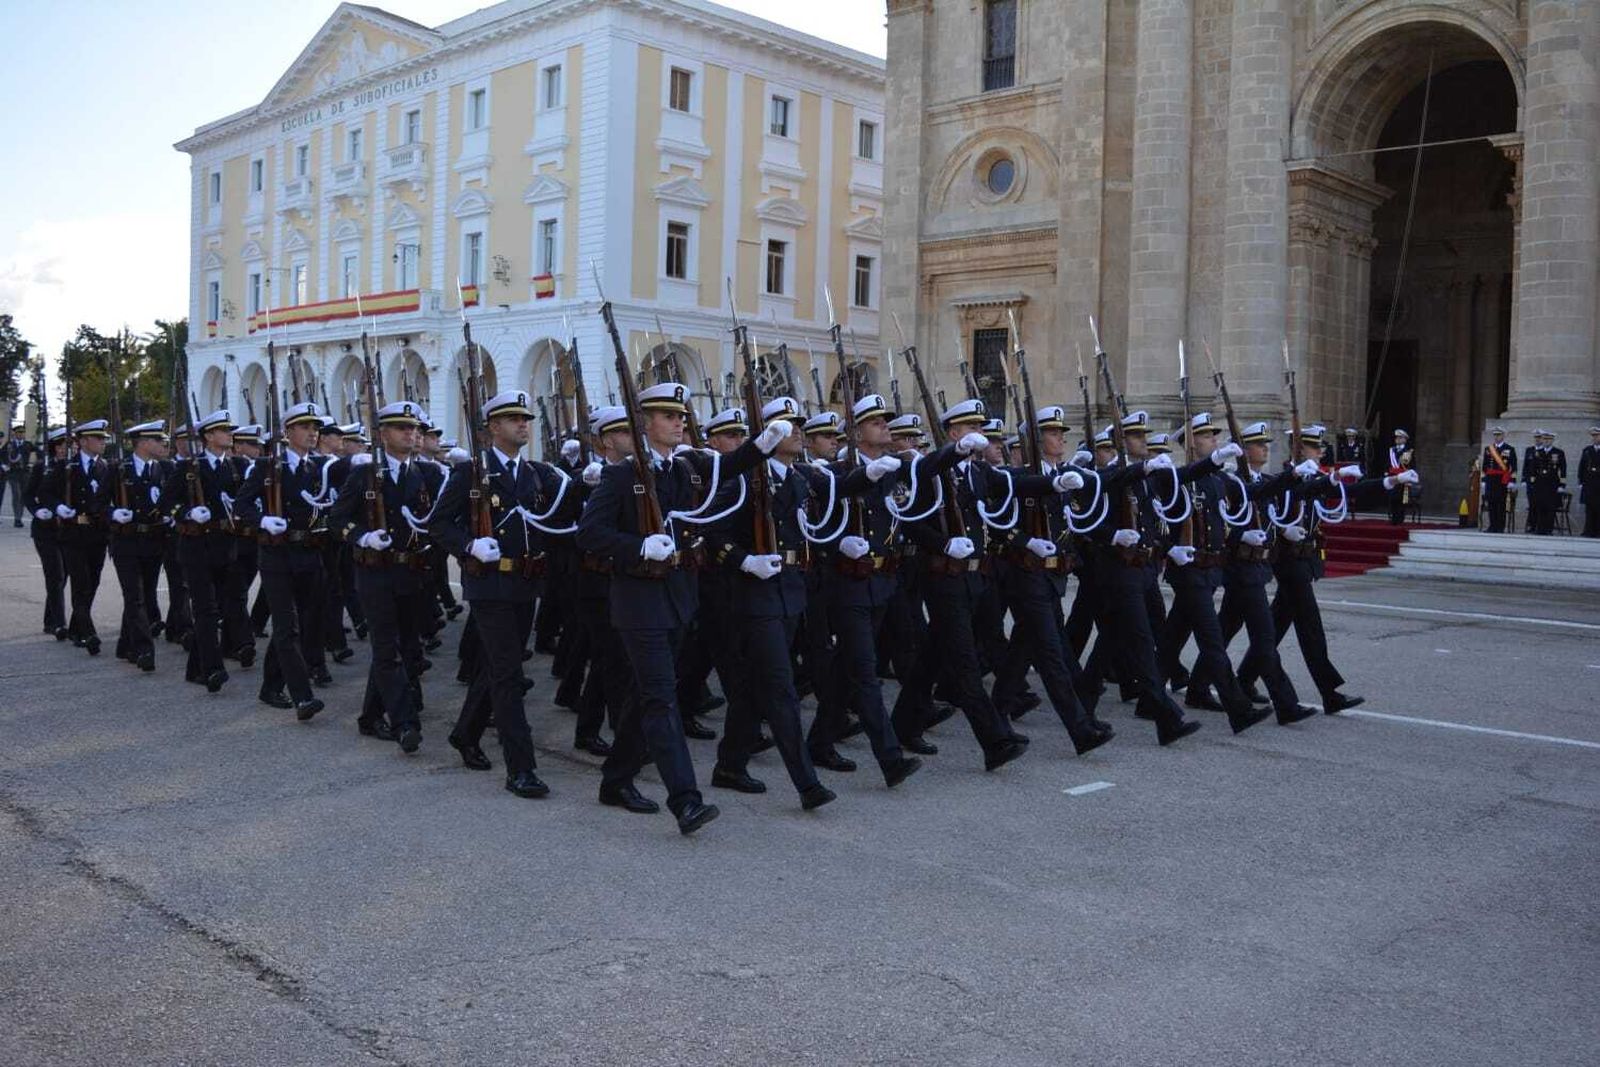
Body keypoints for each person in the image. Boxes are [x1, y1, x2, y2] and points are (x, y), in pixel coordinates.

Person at [576, 381, 780, 834]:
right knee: (661, 698)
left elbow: (726, 468)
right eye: (669, 416)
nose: (679, 421)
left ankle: (616, 779)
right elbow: (589, 534)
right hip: (638, 602)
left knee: (645, 696)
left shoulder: (684, 468)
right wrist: (636, 546)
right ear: (644, 423)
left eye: (680, 415)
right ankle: (685, 800)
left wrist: (761, 446)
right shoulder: (621, 475)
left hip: (677, 599)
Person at [701, 395, 836, 810]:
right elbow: (712, 532)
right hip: (753, 595)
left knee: (753, 690)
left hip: (789, 591)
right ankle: (806, 783)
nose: (797, 430)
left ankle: (729, 764)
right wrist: (745, 561)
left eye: (798, 424)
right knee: (780, 689)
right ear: (768, 435)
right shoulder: (745, 478)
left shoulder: (797, 477)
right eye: (785, 424)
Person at [334, 400, 439, 752]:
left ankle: (369, 715)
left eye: (414, 428)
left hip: (411, 571)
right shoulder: (364, 475)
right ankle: (405, 722)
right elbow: (337, 519)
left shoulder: (426, 474)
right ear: (382, 435)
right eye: (401, 428)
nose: (411, 434)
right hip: (375, 573)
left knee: (408, 647)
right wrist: (362, 536)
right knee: (386, 649)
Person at [236, 402, 329, 720]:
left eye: (315, 428)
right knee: (287, 626)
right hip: (277, 555)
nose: (312, 433)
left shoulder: (319, 468)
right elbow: (241, 506)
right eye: (305, 427)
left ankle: (270, 686)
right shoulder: (267, 467)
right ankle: (302, 696)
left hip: (309, 554)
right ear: (288, 432)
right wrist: (263, 521)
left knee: (297, 626)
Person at [166, 410, 242, 693]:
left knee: (220, 608)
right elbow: (166, 503)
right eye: (224, 430)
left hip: (225, 547)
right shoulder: (188, 467)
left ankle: (195, 667)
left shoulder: (235, 467)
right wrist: (186, 513)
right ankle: (212, 669)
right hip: (196, 548)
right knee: (206, 610)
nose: (229, 434)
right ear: (209, 436)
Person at [38, 419, 112, 654]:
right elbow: (45, 492)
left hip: (98, 534)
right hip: (73, 533)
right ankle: (88, 633)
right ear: (82, 442)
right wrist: (59, 507)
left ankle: (76, 627)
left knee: (93, 582)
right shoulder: (66, 467)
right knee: (81, 583)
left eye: (103, 438)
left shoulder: (107, 468)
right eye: (97, 438)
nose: (102, 442)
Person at [106, 420, 171, 673]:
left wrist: (170, 514)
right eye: (157, 440)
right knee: (135, 597)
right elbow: (99, 503)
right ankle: (144, 649)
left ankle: (125, 644)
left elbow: (168, 500)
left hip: (153, 542)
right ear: (143, 443)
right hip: (127, 542)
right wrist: (113, 513)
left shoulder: (162, 469)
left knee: (144, 595)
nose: (162, 444)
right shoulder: (118, 470)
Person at [25, 429, 69, 636]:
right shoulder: (42, 468)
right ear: (54, 447)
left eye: (68, 446)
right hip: (45, 530)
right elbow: (28, 495)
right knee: (55, 575)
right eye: (60, 446)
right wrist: (36, 510)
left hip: (67, 529)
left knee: (64, 575)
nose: (65, 450)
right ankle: (60, 623)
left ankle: (50, 619)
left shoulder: (72, 468)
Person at [1524, 430, 1567, 536]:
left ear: (1552, 440)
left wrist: (1562, 485)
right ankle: (1540, 528)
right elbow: (1533, 469)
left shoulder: (1558, 452)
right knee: (1540, 506)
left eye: (1549, 439)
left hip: (1552, 483)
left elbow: (1563, 469)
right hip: (1540, 483)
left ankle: (1548, 529)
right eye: (1545, 439)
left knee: (1550, 507)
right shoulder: (1538, 452)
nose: (1547, 441)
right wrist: (1532, 483)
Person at [1481, 428, 1517, 534]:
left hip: (1503, 480)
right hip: (1491, 480)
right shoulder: (1488, 449)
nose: (1497, 437)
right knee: (1491, 503)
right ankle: (1492, 526)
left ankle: (1500, 527)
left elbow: (1513, 466)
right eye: (1495, 435)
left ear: (1503, 436)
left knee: (1501, 504)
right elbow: (1485, 466)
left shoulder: (1509, 449)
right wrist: (1484, 479)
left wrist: (1512, 480)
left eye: (1499, 435)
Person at [4, 424, 36, 527]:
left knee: (22, 496)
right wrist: (4, 465)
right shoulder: (9, 445)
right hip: (13, 474)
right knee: (16, 495)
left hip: (25, 474)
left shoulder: (28, 444)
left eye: (22, 433)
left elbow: (39, 452)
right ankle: (17, 518)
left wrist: (39, 462)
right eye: (19, 433)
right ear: (15, 434)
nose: (21, 434)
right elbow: (1, 455)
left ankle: (19, 518)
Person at [1385, 429, 1414, 525]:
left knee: (1401, 499)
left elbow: (1411, 465)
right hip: (1393, 478)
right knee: (1392, 498)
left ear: (1405, 440)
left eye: (1400, 437)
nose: (1397, 439)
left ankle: (1400, 519)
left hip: (1403, 478)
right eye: (1396, 437)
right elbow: (1388, 464)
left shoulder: (1408, 451)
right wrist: (1386, 473)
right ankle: (1393, 518)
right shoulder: (1391, 450)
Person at [1578, 426, 1600, 538]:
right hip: (1589, 484)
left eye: (1597, 436)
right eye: (1594, 436)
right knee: (1589, 508)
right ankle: (1588, 530)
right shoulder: (1587, 450)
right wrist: (1581, 482)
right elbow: (1582, 466)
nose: (1595, 438)